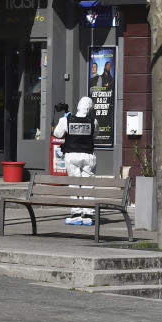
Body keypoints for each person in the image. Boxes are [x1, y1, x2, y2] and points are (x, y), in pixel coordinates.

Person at [53, 96, 97, 226]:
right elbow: (95, 135)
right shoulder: (93, 121)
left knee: (74, 184)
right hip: (88, 156)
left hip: (72, 156)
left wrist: (64, 120)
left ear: (78, 106)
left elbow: (57, 134)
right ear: (90, 109)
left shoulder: (66, 120)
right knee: (88, 184)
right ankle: (88, 214)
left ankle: (76, 213)